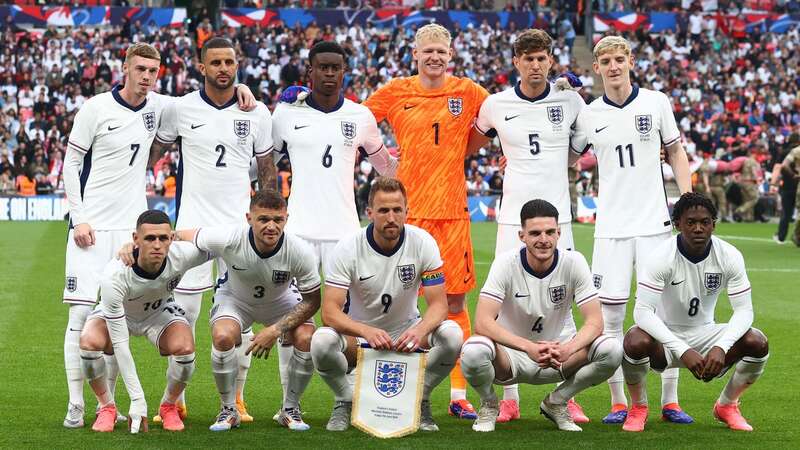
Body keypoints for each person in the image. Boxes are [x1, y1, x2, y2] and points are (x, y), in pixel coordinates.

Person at [362, 23, 490, 419]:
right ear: (415, 55)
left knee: (453, 301)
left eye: (442, 52)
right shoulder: (397, 90)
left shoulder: (468, 92)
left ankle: (456, 392)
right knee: (404, 304)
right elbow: (357, 122)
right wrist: (385, 162)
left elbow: (503, 114)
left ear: (450, 56)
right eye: (428, 51)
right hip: (408, 215)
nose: (435, 57)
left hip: (452, 212)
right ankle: (404, 390)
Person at [271, 40, 397, 417]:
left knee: (357, 321)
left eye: (335, 67)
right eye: (321, 67)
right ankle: (289, 404)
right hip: (299, 234)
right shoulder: (286, 114)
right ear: (309, 70)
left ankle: (358, 397)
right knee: (295, 322)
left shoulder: (360, 116)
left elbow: (386, 168)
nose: (329, 73)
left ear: (345, 71)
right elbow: (264, 163)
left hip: (346, 234)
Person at [152, 37, 275, 423]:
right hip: (191, 229)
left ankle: (237, 397)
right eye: (216, 62)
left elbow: (268, 171)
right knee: (183, 315)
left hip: (240, 232)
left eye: (230, 62)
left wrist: (268, 217)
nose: (224, 68)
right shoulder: (181, 108)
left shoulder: (256, 112)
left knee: (240, 317)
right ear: (201, 67)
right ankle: (177, 397)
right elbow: (153, 154)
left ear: (237, 65)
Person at [572, 35, 693, 424]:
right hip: (610, 229)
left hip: (655, 226)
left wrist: (687, 200)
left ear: (631, 61)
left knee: (663, 314)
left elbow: (675, 151)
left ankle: (670, 401)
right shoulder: (589, 113)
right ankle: (619, 402)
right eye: (605, 61)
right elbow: (567, 156)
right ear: (596, 68)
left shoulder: (656, 102)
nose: (613, 66)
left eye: (619, 59)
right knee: (609, 319)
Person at [471, 28, 589, 423]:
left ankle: (564, 393)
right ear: (516, 62)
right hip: (511, 218)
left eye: (542, 58)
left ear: (551, 61)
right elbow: (472, 144)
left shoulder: (570, 101)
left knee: (566, 296)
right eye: (528, 58)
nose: (535, 65)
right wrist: (505, 156)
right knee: (505, 300)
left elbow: (575, 154)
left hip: (559, 219)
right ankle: (509, 396)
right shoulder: (495, 104)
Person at [61, 43, 167, 429]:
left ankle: (109, 404)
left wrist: (243, 91)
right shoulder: (95, 108)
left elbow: (200, 103)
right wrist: (80, 217)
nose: (146, 76)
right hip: (90, 228)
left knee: (116, 317)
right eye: (140, 68)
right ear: (125, 67)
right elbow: (72, 163)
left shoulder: (158, 107)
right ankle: (76, 403)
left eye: (153, 71)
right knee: (79, 316)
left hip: (129, 232)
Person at [310, 177, 463, 432]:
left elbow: (439, 306)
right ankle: (344, 400)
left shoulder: (423, 242)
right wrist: (366, 331)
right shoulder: (348, 248)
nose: (391, 217)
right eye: (383, 210)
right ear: (369, 213)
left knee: (452, 335)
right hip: (359, 338)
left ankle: (420, 398)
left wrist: (419, 331)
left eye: (397, 210)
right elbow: (329, 313)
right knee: (321, 341)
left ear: (407, 212)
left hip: (407, 334)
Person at [461, 199, 621, 432]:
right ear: (521, 236)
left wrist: (569, 348)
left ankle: (557, 402)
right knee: (474, 350)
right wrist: (527, 347)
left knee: (612, 349)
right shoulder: (505, 263)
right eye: (535, 233)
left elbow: (595, 322)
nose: (543, 239)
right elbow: (482, 323)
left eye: (549, 232)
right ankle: (489, 403)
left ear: (559, 233)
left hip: (561, 356)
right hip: (511, 357)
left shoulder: (574, 262)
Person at [174, 190, 321, 432]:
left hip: (281, 301)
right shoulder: (229, 237)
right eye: (263, 219)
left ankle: (290, 408)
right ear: (248, 218)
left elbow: (312, 301)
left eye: (278, 219)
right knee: (222, 336)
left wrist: (275, 330)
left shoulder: (299, 250)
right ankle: (228, 409)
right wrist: (148, 241)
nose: (271, 226)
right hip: (235, 298)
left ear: (286, 218)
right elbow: (184, 235)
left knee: (306, 337)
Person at [621, 192, 769, 432]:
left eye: (705, 222)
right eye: (691, 222)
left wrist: (722, 346)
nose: (698, 228)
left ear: (714, 224)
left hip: (707, 334)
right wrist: (682, 349)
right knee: (635, 340)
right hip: (666, 339)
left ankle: (727, 405)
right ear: (678, 224)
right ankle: (638, 407)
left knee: (757, 341)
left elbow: (744, 310)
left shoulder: (729, 255)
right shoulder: (660, 257)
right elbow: (643, 312)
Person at [79, 210, 212, 433]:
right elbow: (120, 344)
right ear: (136, 239)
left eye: (163, 238)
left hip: (159, 313)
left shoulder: (183, 255)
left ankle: (168, 405)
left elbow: (220, 244)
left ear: (171, 238)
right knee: (89, 343)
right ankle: (107, 407)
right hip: (121, 314)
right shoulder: (115, 275)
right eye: (150, 238)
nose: (157, 245)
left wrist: (181, 235)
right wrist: (137, 399)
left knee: (186, 350)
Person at [772, 134, 800, 244]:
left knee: (786, 213)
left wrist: (774, 182)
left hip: (788, 186)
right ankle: (796, 235)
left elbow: (779, 167)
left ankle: (781, 237)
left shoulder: (785, 152)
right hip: (797, 186)